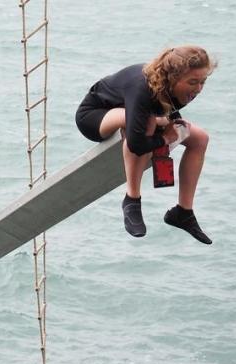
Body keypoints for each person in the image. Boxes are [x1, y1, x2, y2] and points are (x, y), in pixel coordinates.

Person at [75, 46, 217, 244]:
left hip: (133, 108)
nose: (199, 88)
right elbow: (137, 144)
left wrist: (173, 126)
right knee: (148, 123)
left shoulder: (179, 89)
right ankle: (132, 200)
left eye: (203, 81)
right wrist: (165, 139)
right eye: (193, 82)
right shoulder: (142, 87)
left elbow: (164, 109)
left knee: (200, 139)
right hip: (94, 115)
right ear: (173, 78)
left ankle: (183, 212)